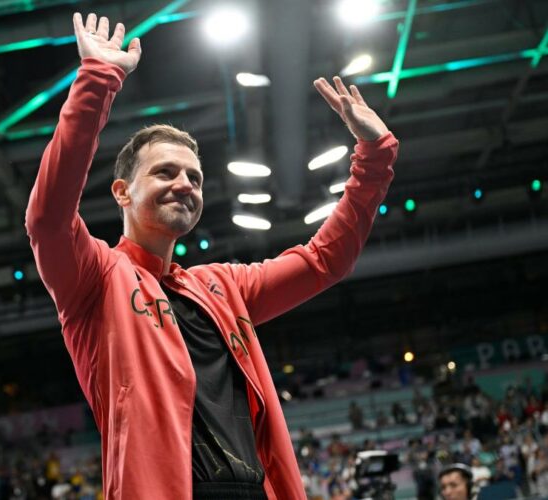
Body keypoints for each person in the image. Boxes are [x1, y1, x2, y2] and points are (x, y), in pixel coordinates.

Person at [25, 11, 398, 500]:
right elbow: (48, 216)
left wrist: (374, 156)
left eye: (194, 177)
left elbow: (324, 261)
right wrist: (98, 79)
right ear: (121, 191)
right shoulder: (95, 278)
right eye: (165, 173)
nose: (184, 184)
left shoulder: (224, 287)